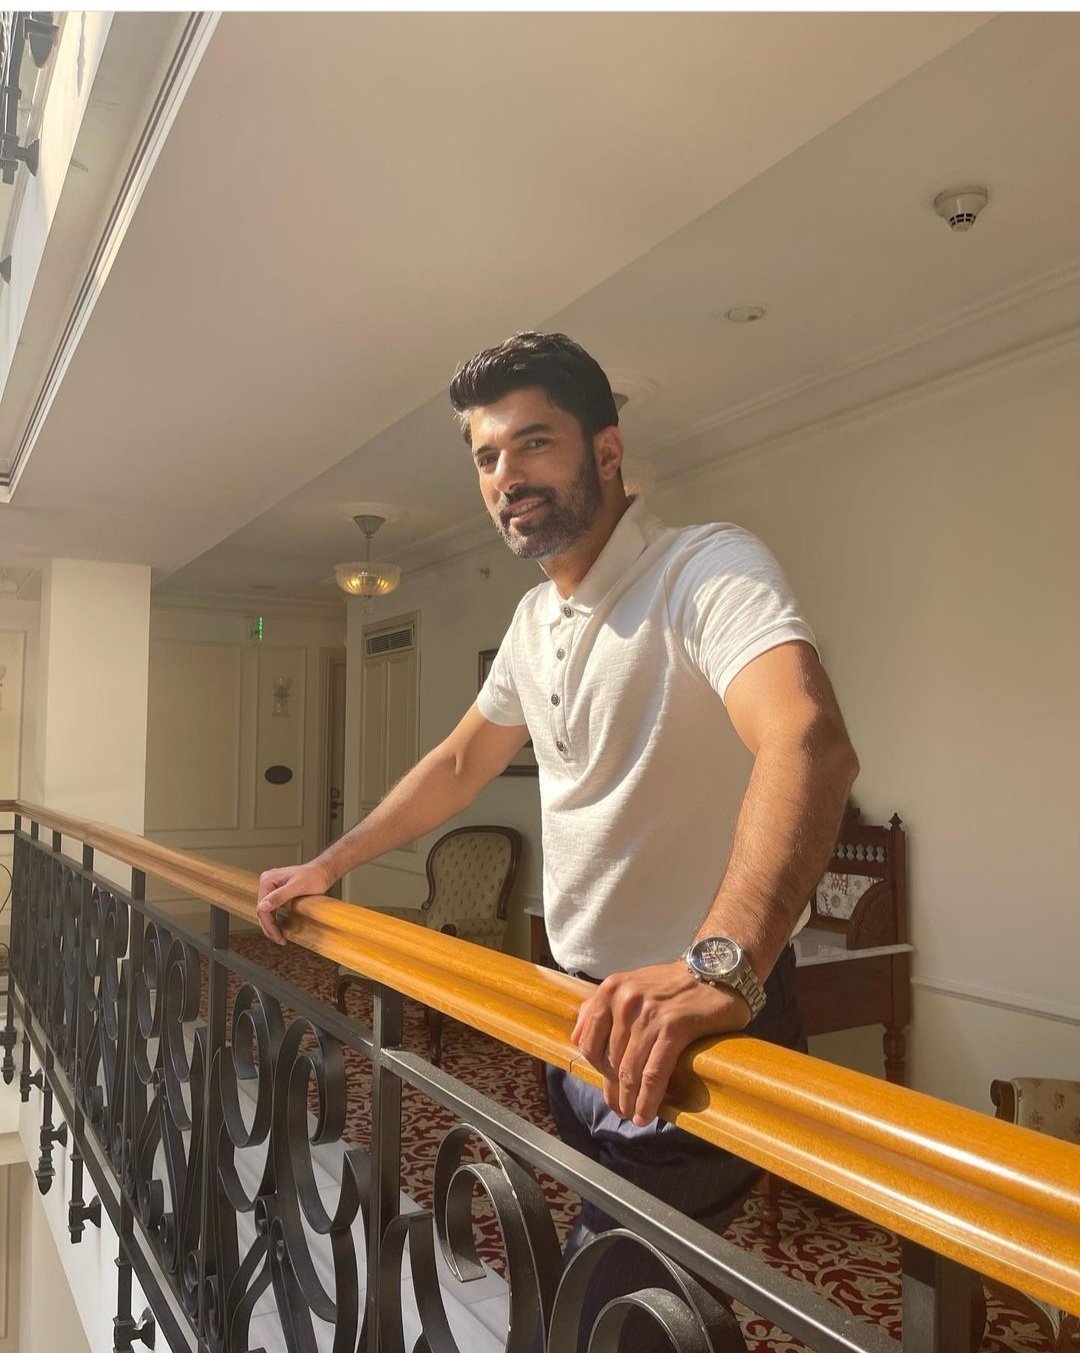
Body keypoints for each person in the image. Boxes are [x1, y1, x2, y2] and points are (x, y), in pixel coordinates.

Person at [256, 331, 858, 1349]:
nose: (506, 475)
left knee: (598, 1312)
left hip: (692, 1023)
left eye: (534, 443)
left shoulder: (705, 567)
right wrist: (331, 863)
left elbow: (807, 740)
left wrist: (725, 966)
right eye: (487, 456)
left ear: (607, 451)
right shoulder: (536, 619)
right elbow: (460, 762)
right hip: (572, 1012)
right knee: (650, 1306)